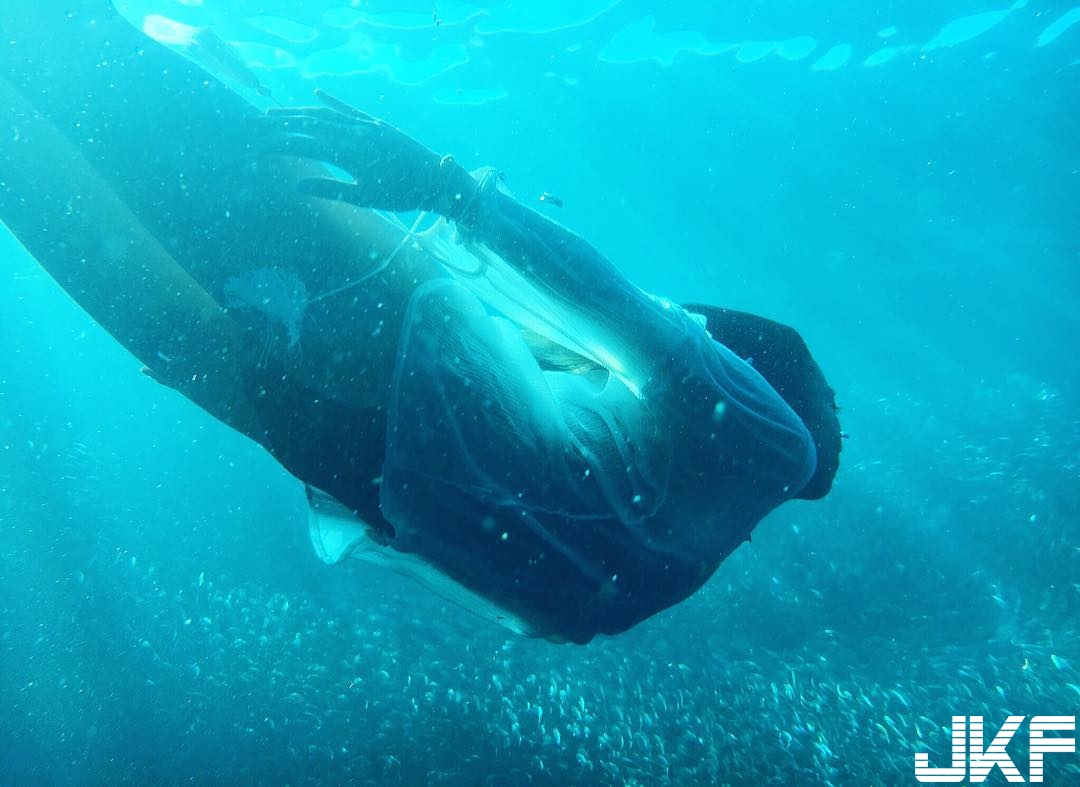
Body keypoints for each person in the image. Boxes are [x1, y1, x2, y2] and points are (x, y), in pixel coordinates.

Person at [0, 1, 840, 643]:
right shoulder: (654, 570)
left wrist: (445, 186)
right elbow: (487, 578)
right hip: (346, 453)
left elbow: (624, 315)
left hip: (402, 351)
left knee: (125, 91)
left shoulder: (776, 444)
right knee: (54, 193)